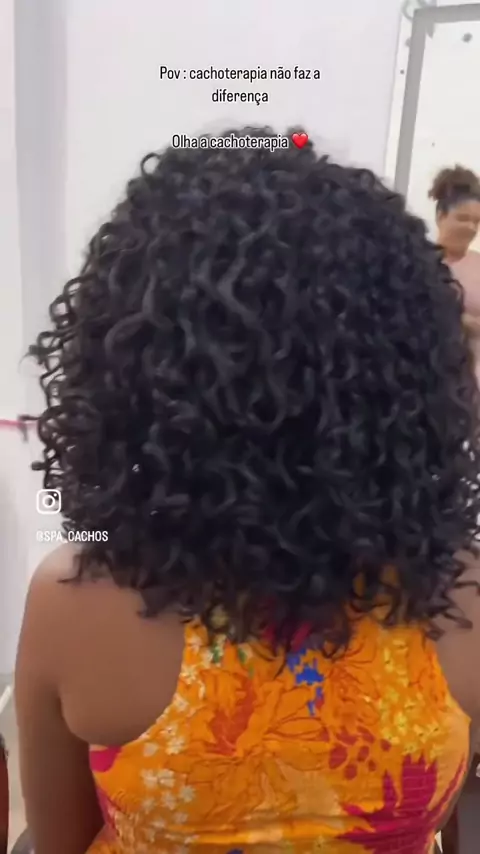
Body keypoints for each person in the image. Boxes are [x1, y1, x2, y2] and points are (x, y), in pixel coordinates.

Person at [15, 127, 480, 854]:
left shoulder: (77, 599)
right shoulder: (459, 592)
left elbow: (59, 845)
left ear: (136, 372)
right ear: (406, 372)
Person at [430, 165, 480, 378]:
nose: (471, 227)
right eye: (463, 218)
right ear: (441, 216)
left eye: (477, 221)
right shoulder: (418, 262)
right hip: (429, 376)